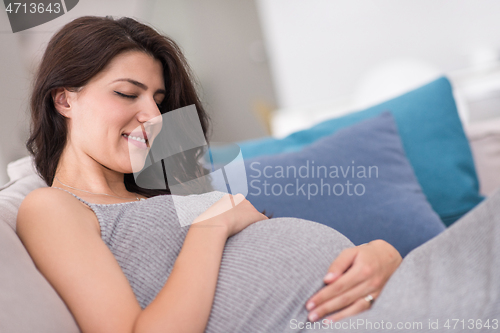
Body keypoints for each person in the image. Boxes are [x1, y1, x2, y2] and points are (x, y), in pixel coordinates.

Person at [16, 16, 404, 333]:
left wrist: (384, 257)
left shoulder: (171, 185)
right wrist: (210, 227)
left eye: (158, 100)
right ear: (65, 99)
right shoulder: (51, 208)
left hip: (384, 297)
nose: (153, 116)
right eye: (127, 93)